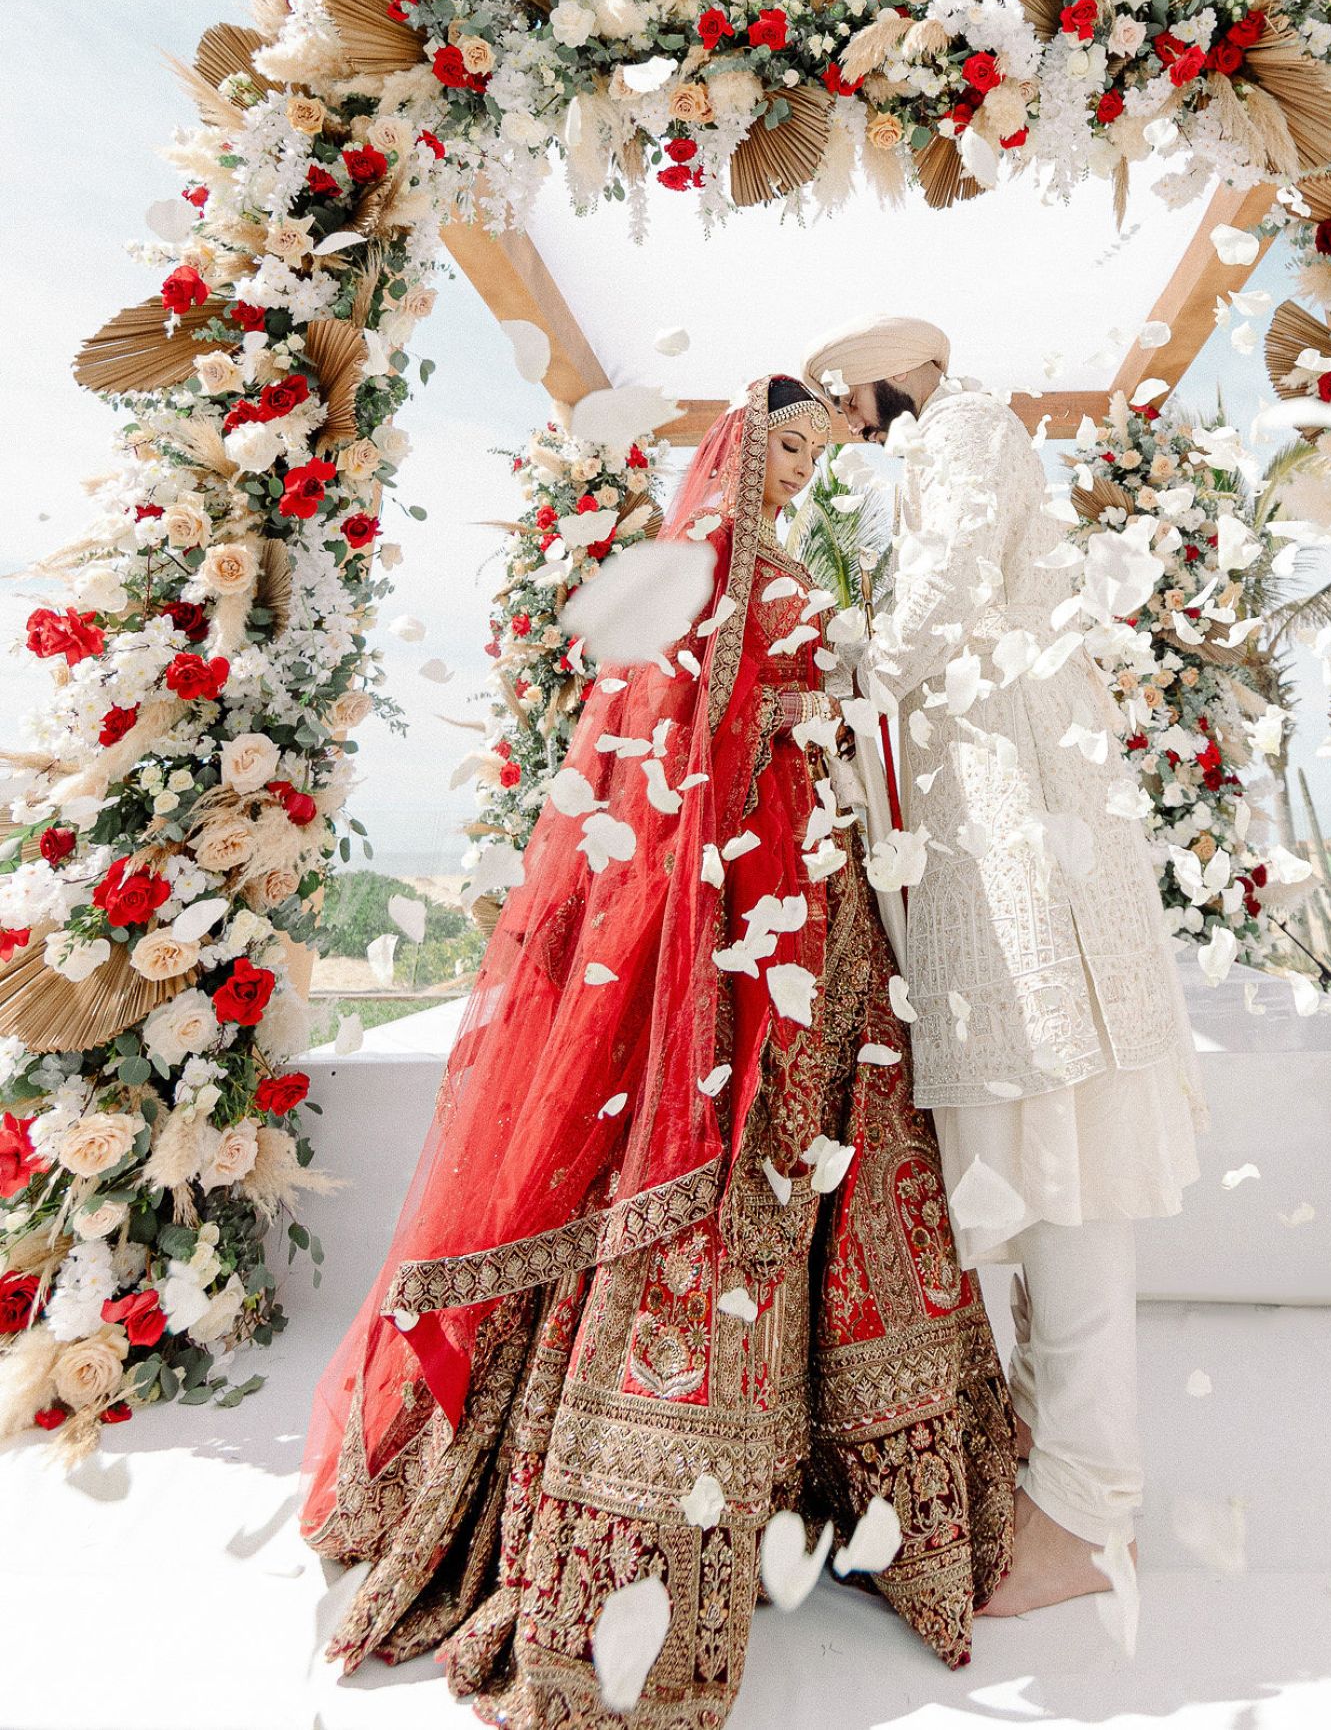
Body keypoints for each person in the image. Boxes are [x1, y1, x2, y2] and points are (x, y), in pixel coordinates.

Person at [302, 375, 1014, 1727]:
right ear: (740, 454)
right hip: (740, 911)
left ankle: (824, 1490)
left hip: (825, 904)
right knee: (725, 1193)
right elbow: (677, 740)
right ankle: (649, 1522)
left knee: (836, 1185)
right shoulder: (710, 564)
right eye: (787, 445)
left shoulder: (787, 558)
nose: (803, 469)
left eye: (820, 450)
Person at [802, 317, 1202, 1615]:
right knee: (1023, 1146)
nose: (849, 426)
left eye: (848, 399)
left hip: (1020, 798)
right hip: (976, 802)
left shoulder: (967, 424)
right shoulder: (928, 451)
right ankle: (1045, 1462)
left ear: (887, 375)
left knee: (1061, 1125)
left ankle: (1092, 1506)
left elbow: (950, 590)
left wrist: (832, 667)